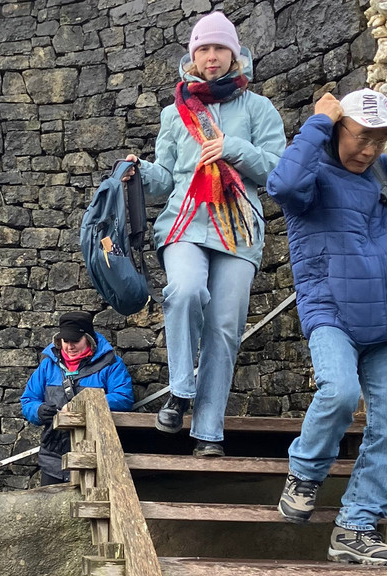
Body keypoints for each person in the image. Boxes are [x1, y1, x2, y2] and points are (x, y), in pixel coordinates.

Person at [268, 89, 387, 565]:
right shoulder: (310, 175)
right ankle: (305, 473)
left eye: (378, 139)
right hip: (331, 310)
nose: (368, 149)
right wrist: (318, 122)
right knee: (339, 394)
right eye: (359, 137)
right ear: (337, 130)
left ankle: (354, 527)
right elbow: (282, 185)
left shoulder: (386, 174)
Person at [124, 11, 286, 455]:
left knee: (225, 328)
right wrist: (139, 174)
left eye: (219, 48)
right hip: (184, 222)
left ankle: (208, 433)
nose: (211, 57)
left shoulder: (258, 108)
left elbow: (278, 171)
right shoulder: (174, 113)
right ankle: (181, 390)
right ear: (192, 56)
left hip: (238, 230)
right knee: (185, 290)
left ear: (234, 54)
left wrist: (232, 148)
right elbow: (166, 179)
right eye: (203, 49)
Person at [21, 312, 134, 485]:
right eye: (66, 341)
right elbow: (29, 400)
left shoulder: (111, 364)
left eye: (75, 341)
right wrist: (39, 411)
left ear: (88, 339)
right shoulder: (48, 365)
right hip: (54, 457)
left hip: (97, 455)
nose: (69, 346)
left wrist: (83, 405)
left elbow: (123, 398)